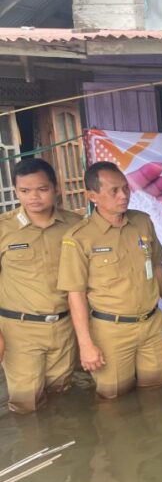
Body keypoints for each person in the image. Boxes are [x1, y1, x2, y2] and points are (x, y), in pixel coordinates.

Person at [57, 161, 162, 399]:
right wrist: (86, 345)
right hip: (111, 332)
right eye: (114, 191)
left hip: (151, 326)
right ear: (92, 196)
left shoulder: (142, 222)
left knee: (157, 393)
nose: (123, 196)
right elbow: (75, 294)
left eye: (126, 188)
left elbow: (157, 267)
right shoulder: (79, 238)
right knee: (113, 400)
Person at [0, 158, 82, 413]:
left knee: (61, 394)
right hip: (19, 330)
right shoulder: (4, 228)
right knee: (26, 405)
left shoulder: (75, 225)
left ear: (56, 188)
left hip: (64, 326)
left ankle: (60, 449)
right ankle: (32, 449)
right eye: (24, 191)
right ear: (16, 191)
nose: (33, 197)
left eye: (42, 189)